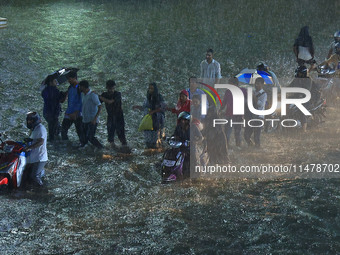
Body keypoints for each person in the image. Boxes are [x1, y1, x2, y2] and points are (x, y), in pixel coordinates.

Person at [133, 83, 166, 149]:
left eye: (152, 88)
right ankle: (149, 147)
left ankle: (156, 147)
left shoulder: (159, 97)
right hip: (148, 119)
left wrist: (153, 111)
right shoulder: (148, 97)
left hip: (156, 119)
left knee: (155, 134)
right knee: (147, 134)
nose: (150, 90)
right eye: (149, 88)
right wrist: (138, 107)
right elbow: (144, 107)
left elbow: (162, 107)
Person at [99, 80, 128, 148]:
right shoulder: (104, 94)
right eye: (110, 88)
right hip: (110, 116)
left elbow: (110, 102)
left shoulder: (117, 94)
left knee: (121, 134)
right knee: (110, 135)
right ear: (107, 87)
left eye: (112, 88)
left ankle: (125, 147)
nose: (111, 90)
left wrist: (100, 97)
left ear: (114, 87)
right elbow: (97, 103)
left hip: (119, 116)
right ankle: (113, 148)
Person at [220, 77, 246, 147]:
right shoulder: (228, 91)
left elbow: (249, 99)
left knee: (237, 132)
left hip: (238, 115)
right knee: (227, 132)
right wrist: (220, 109)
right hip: (229, 114)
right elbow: (224, 102)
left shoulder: (243, 90)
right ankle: (226, 146)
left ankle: (238, 146)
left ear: (235, 84)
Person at [24, 112, 48, 186]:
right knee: (26, 175)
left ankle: (42, 190)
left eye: (31, 121)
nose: (29, 122)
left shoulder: (40, 128)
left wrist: (29, 148)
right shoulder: (34, 129)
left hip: (40, 158)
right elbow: (35, 139)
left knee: (34, 176)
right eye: (28, 120)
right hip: (33, 157)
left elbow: (41, 141)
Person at [79, 80, 104, 149]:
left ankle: (101, 148)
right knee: (83, 138)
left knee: (90, 137)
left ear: (83, 87)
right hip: (85, 119)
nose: (79, 88)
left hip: (92, 120)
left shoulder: (93, 95)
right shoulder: (82, 94)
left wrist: (95, 118)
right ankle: (85, 151)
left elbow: (100, 106)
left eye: (80, 87)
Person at [61, 71, 84, 144]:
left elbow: (82, 101)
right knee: (63, 130)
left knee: (80, 132)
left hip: (78, 114)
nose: (68, 81)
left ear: (74, 78)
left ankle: (83, 146)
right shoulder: (70, 88)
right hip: (69, 112)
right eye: (68, 79)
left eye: (70, 79)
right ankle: (66, 145)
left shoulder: (80, 88)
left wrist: (76, 113)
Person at [41, 76, 67, 142]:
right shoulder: (54, 90)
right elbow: (61, 100)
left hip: (46, 112)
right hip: (53, 113)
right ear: (50, 82)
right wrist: (66, 93)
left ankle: (53, 140)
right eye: (55, 81)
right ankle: (55, 143)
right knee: (54, 130)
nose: (56, 82)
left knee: (53, 127)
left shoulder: (45, 90)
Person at [244, 77, 267, 147]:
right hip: (250, 115)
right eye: (256, 84)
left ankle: (257, 150)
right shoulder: (252, 92)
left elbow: (261, 104)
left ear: (262, 84)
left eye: (258, 84)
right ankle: (250, 145)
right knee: (246, 134)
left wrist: (254, 96)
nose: (256, 85)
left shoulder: (264, 94)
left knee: (256, 136)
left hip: (259, 116)